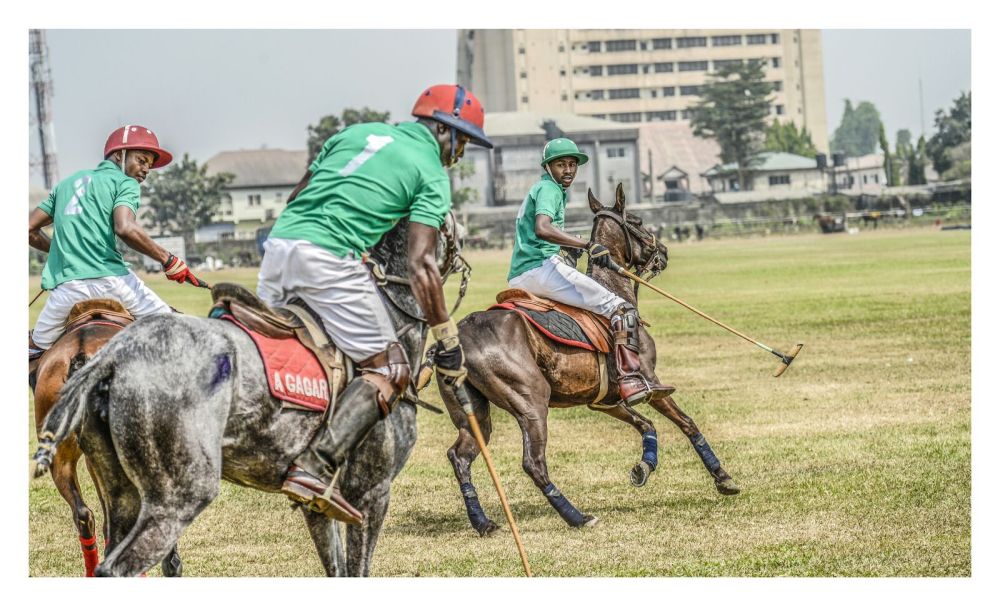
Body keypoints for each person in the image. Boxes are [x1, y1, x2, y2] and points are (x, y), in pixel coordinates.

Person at [257, 84, 493, 523]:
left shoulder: (355, 133)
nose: (458, 156)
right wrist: (445, 336)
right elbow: (422, 264)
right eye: (462, 144)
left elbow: (295, 198)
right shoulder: (431, 172)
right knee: (390, 368)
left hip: (280, 248)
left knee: (278, 353)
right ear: (445, 132)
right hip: (328, 257)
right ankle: (317, 465)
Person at [506, 137, 672, 406]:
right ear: (548, 167)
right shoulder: (548, 189)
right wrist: (586, 244)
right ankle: (631, 380)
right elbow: (542, 229)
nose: (568, 170)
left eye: (572, 164)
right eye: (561, 164)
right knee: (621, 308)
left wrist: (572, 246)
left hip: (524, 271)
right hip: (540, 267)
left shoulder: (549, 189)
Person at [28, 125, 203, 378]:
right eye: (141, 160)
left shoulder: (65, 184)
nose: (145, 170)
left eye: (149, 165)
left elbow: (28, 230)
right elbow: (125, 228)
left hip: (65, 293)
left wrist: (63, 251)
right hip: (114, 284)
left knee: (33, 350)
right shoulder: (125, 183)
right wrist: (169, 260)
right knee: (180, 331)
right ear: (119, 155)